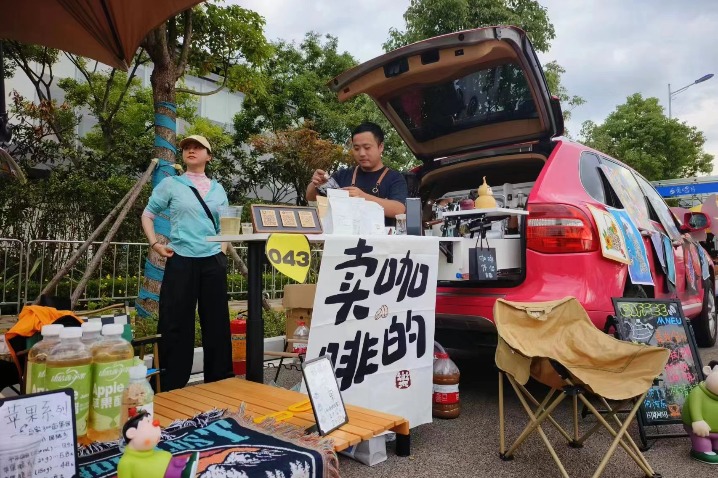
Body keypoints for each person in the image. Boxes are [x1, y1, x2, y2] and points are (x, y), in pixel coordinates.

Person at [141, 135, 233, 391]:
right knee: (175, 323)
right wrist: (155, 243)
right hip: (181, 259)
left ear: (209, 156)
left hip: (212, 261)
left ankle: (220, 381)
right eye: (186, 148)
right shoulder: (171, 184)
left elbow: (226, 225)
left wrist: (222, 253)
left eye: (197, 147)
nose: (191, 150)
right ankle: (170, 383)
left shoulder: (218, 189)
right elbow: (147, 215)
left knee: (216, 323)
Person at [306, 122, 408, 226]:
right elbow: (313, 200)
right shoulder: (342, 175)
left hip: (381, 240)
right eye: (356, 148)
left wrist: (363, 197)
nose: (362, 153)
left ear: (381, 147)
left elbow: (399, 209)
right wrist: (315, 184)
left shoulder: (394, 178)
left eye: (367, 147)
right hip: (344, 239)